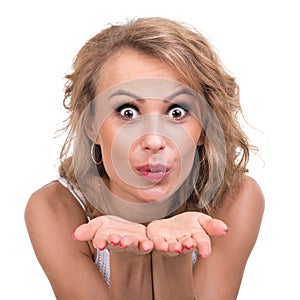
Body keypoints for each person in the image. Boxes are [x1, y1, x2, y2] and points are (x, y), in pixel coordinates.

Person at [25, 17, 264, 300]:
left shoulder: (235, 198)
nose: (153, 140)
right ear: (91, 125)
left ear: (204, 128)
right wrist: (127, 257)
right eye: (127, 112)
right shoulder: (56, 208)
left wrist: (172, 255)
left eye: (177, 112)